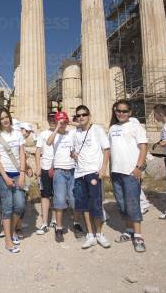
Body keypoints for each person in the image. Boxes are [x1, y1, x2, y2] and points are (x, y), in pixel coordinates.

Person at [109, 100, 148, 253]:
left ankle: (138, 236)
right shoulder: (112, 128)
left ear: (130, 112)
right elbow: (111, 149)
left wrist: (139, 167)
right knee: (122, 203)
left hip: (131, 171)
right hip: (116, 171)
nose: (121, 113)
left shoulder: (135, 126)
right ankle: (128, 230)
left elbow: (143, 147)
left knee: (133, 203)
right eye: (118, 111)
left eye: (124, 111)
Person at [72, 105, 111, 249]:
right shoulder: (75, 133)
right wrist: (73, 154)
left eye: (84, 114)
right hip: (79, 173)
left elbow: (106, 149)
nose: (81, 117)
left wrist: (103, 169)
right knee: (84, 205)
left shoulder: (97, 130)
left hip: (93, 172)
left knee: (96, 204)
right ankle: (90, 234)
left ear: (89, 116)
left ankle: (99, 233)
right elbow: (74, 151)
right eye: (78, 115)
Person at [0, 108, 26, 253]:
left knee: (20, 205)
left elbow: (22, 154)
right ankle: (8, 241)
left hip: (18, 173)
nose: (5, 120)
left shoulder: (18, 134)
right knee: (7, 206)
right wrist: (5, 177)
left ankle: (11, 231)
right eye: (1, 118)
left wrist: (22, 173)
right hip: (3, 175)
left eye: (6, 117)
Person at [47, 111, 77, 243]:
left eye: (64, 122)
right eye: (60, 121)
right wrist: (57, 127)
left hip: (72, 170)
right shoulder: (54, 135)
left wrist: (69, 121)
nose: (63, 124)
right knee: (59, 201)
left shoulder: (72, 133)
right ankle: (59, 228)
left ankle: (76, 223)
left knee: (74, 199)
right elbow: (48, 142)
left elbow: (83, 126)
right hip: (59, 171)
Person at [35, 113, 56, 235]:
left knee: (57, 195)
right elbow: (38, 151)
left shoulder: (64, 133)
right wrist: (38, 167)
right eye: (50, 118)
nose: (52, 121)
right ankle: (44, 223)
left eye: (55, 119)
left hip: (59, 168)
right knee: (45, 195)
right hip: (45, 168)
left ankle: (54, 219)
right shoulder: (43, 134)